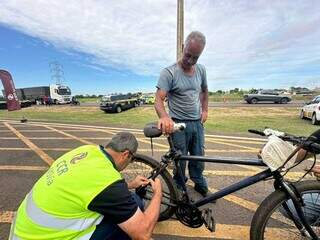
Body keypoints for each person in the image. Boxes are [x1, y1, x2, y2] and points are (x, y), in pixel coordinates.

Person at [10, 132, 162, 240]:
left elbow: (86, 186)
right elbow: (143, 233)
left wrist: (129, 185)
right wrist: (158, 193)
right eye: (132, 159)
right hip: (49, 236)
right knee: (135, 203)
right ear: (126, 155)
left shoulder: (86, 151)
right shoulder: (107, 178)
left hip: (23, 230)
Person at [155, 31, 209, 197]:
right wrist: (165, 117)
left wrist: (205, 109)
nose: (190, 61)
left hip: (197, 123)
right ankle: (178, 186)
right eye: (188, 55)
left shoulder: (201, 70)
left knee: (199, 156)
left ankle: (198, 180)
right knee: (180, 159)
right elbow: (158, 99)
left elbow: (205, 91)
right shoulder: (169, 72)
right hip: (178, 124)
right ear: (182, 47)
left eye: (195, 57)